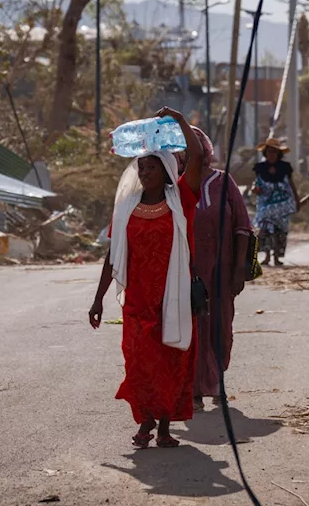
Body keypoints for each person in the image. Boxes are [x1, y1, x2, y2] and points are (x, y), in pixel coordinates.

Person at [89, 107, 204, 449]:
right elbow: (114, 255)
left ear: (166, 170)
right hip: (138, 301)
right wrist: (98, 299)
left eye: (152, 166)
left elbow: (196, 154)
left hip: (174, 297)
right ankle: (146, 423)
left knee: (171, 360)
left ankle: (165, 426)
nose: (145, 171)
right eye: (141, 166)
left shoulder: (182, 200)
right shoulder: (126, 208)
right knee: (139, 362)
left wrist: (180, 119)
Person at [177, 127, 253, 409]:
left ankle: (217, 381)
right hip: (188, 272)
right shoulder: (175, 186)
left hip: (222, 270)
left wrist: (237, 271)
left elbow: (243, 227)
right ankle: (195, 390)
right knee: (194, 328)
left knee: (221, 326)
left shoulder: (224, 182)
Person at [251, 138, 299, 266]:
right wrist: (254, 189)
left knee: (280, 231)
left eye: (274, 152)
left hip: (283, 204)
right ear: (266, 153)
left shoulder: (285, 167)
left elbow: (291, 184)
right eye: (269, 151)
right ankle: (266, 256)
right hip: (265, 204)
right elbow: (256, 183)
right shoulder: (260, 167)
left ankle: (277, 256)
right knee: (265, 230)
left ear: (279, 153)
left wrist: (297, 200)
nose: (272, 154)